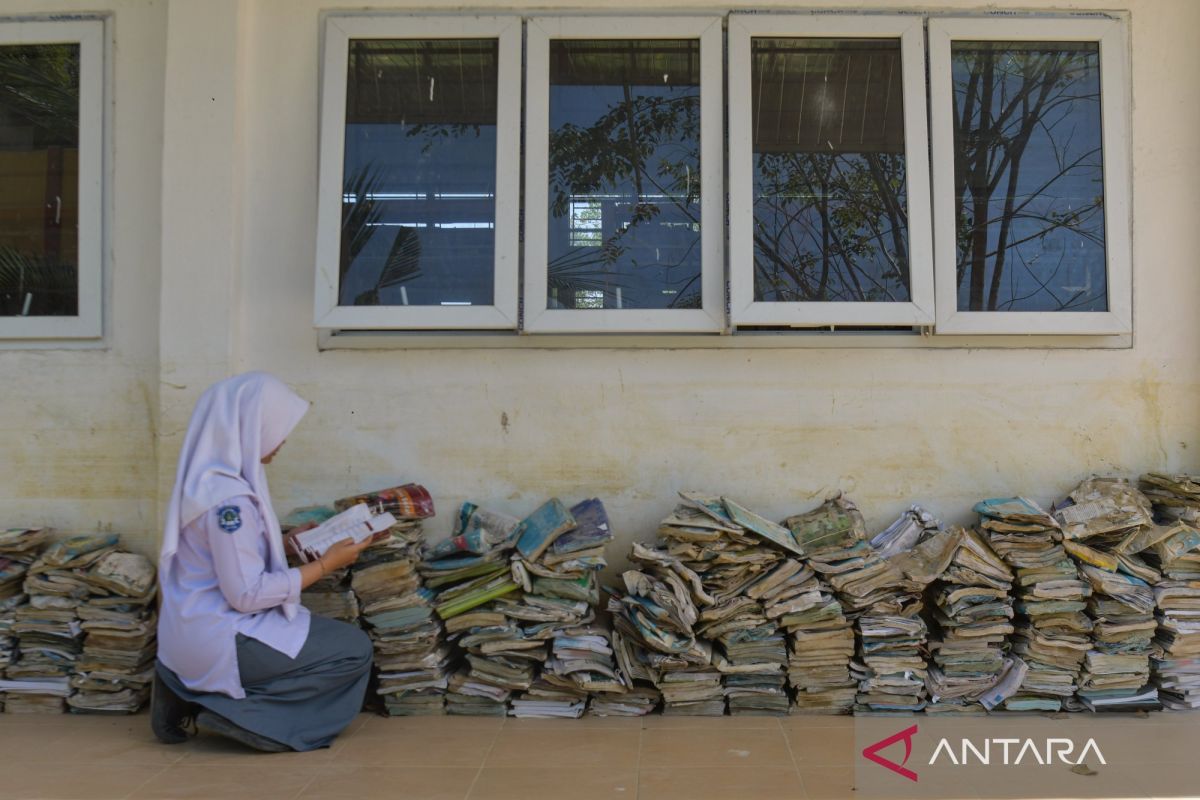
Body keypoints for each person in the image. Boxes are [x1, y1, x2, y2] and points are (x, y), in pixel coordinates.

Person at [151, 371, 375, 752]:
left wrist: (286, 544)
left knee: (317, 638)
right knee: (353, 649)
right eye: (276, 428)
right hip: (220, 638)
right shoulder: (230, 503)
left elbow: (221, 556)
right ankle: (238, 713)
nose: (282, 440)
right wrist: (326, 565)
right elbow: (247, 594)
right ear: (248, 427)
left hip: (181, 637)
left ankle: (179, 688)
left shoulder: (206, 482)